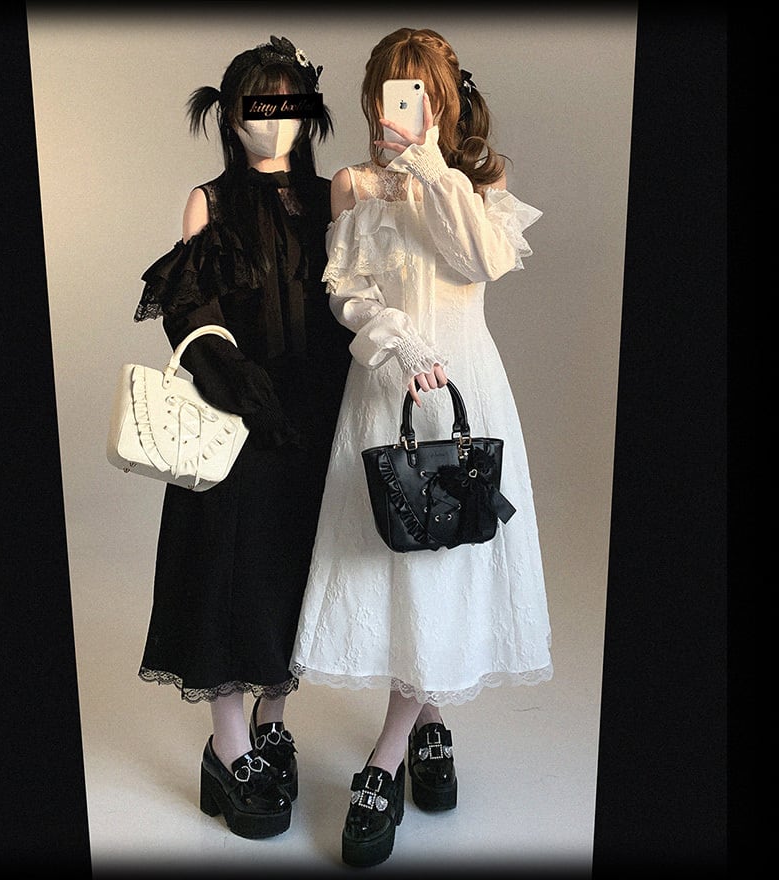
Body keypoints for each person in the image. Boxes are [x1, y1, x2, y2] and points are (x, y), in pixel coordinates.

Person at [289, 27, 553, 867]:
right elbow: (346, 291)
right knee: (401, 560)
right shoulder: (353, 183)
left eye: (415, 92)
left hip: (468, 388)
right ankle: (431, 723)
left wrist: (434, 167)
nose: (395, 106)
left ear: (440, 99)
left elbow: (481, 262)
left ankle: (387, 756)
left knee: (442, 564)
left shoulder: (477, 180)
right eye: (387, 91)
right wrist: (397, 343)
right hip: (388, 388)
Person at [132, 35, 350, 840]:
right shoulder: (211, 201)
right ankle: (227, 749)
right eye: (258, 104)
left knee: (295, 568)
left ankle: (272, 720)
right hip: (235, 416)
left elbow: (358, 296)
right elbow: (192, 310)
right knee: (224, 568)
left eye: (289, 102)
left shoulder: (336, 198)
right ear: (230, 116)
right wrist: (243, 387)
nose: (274, 119)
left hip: (318, 414)